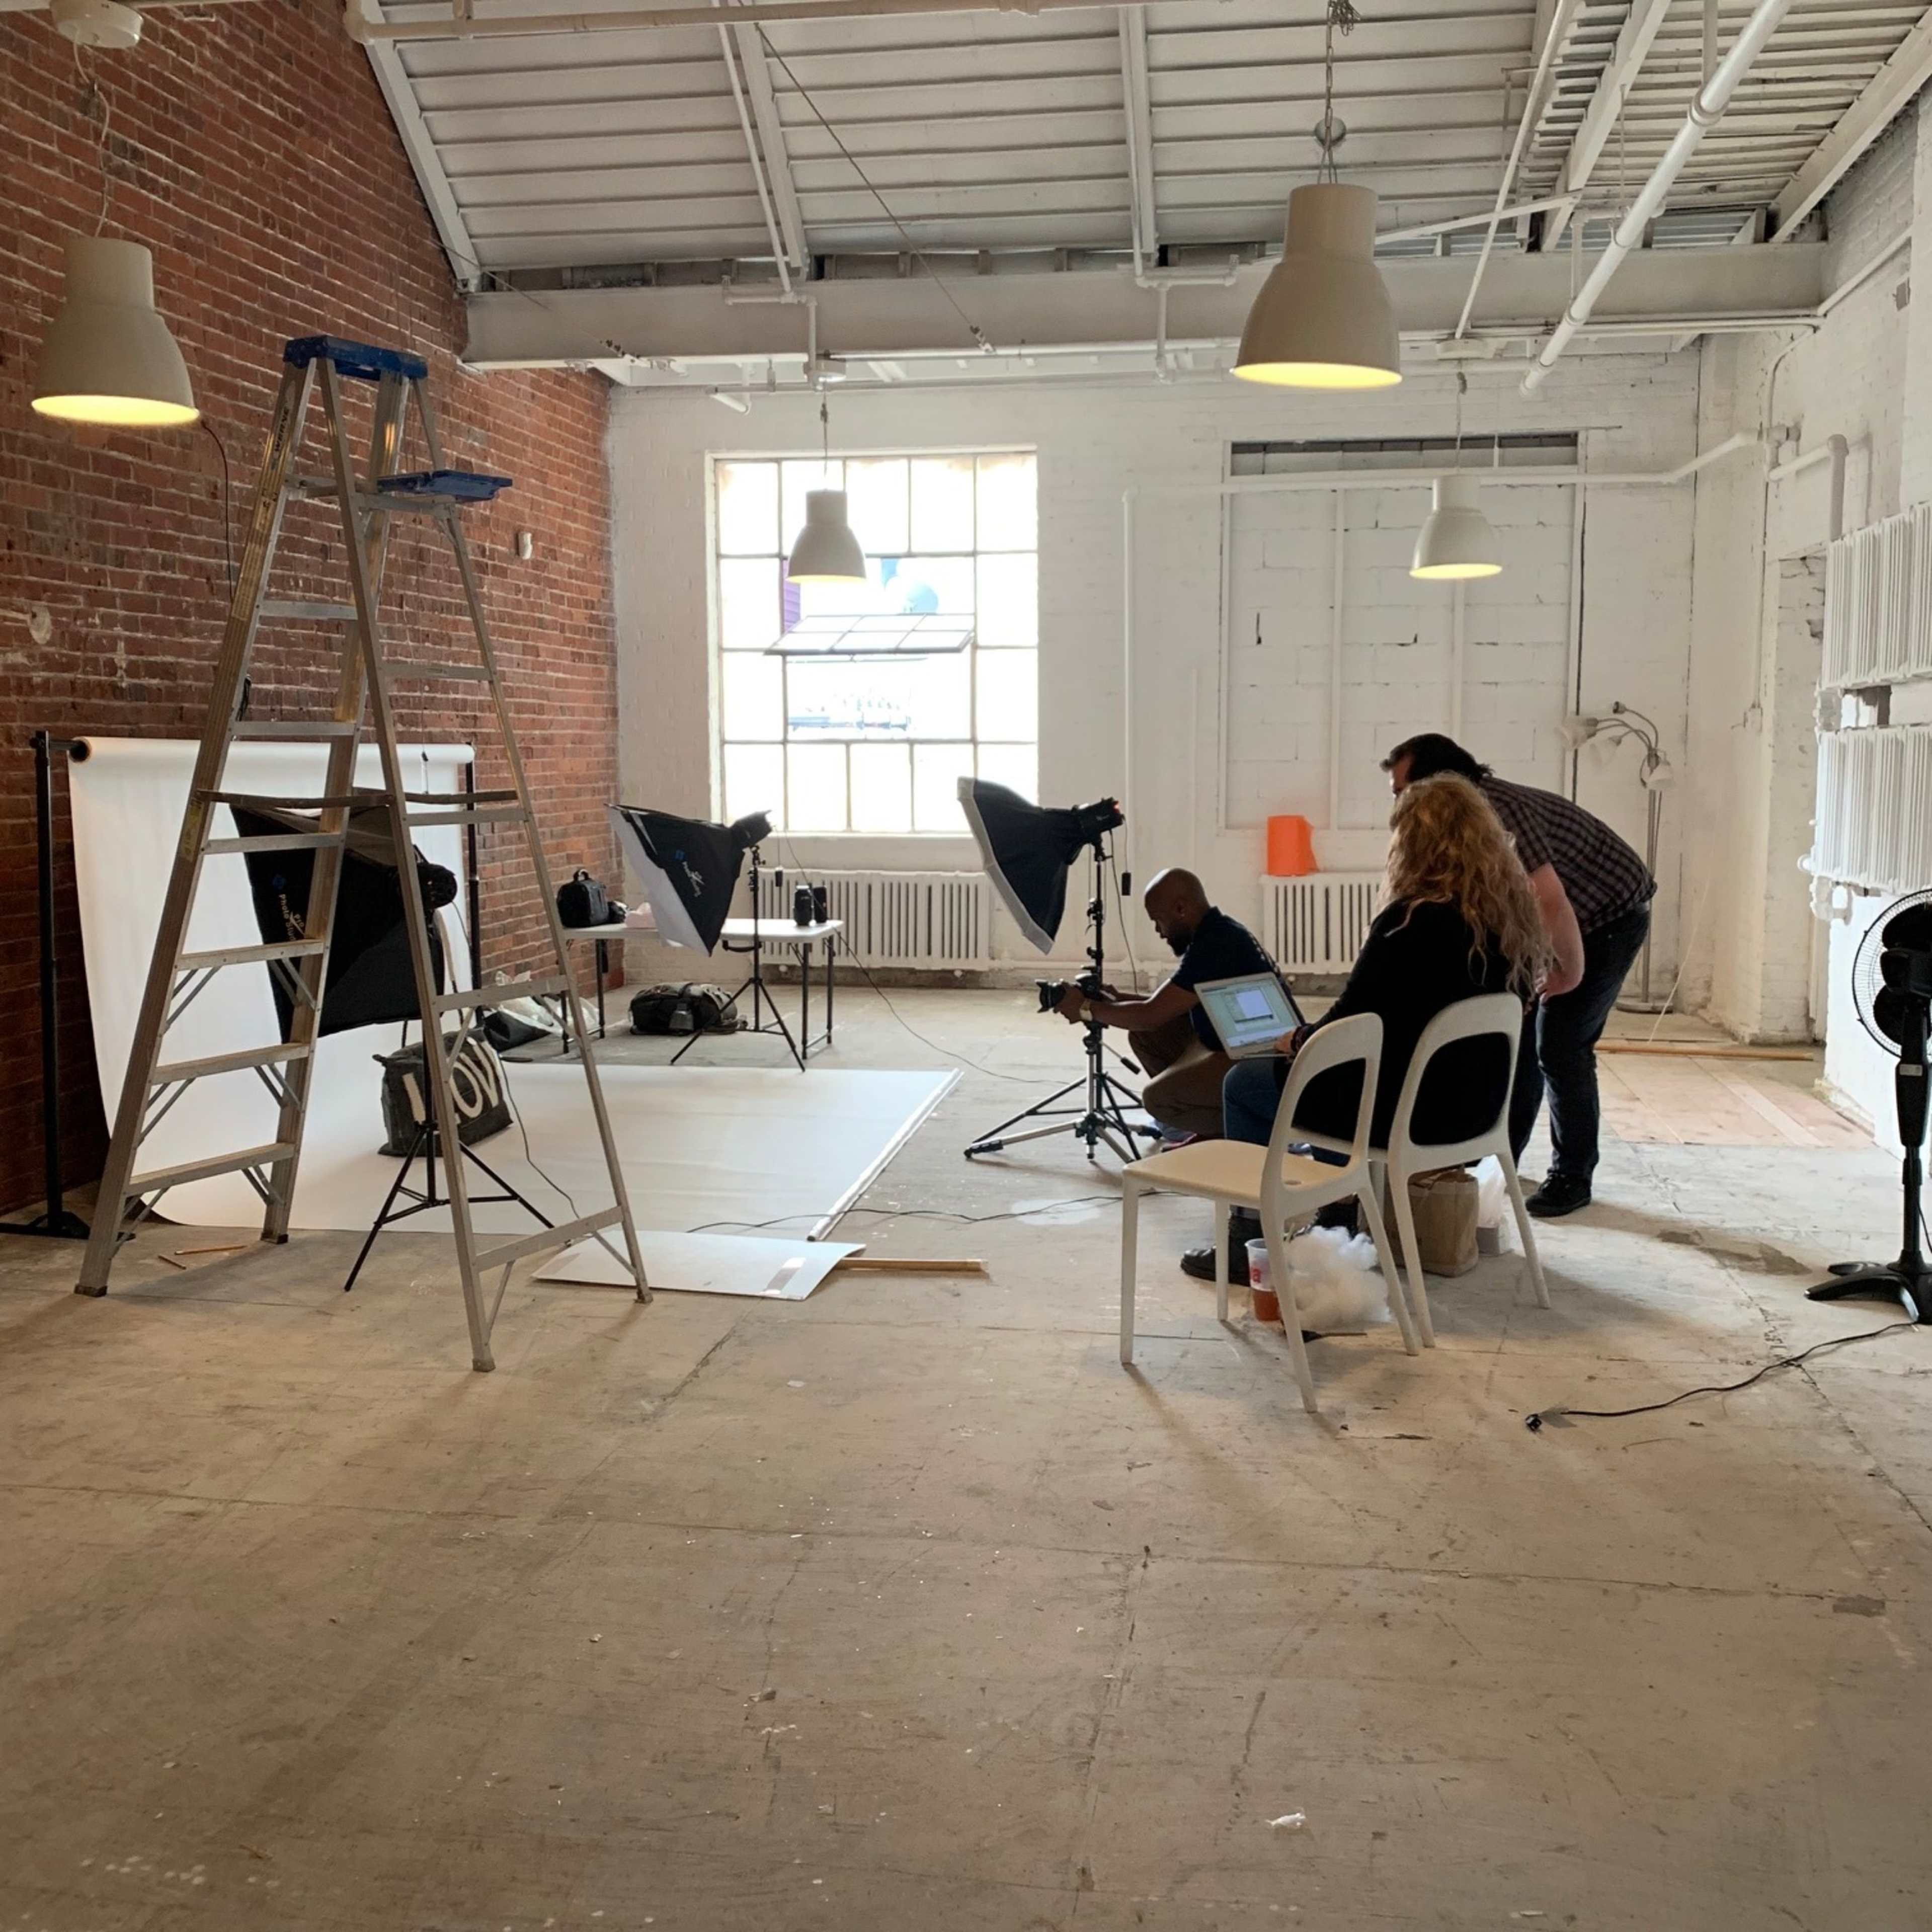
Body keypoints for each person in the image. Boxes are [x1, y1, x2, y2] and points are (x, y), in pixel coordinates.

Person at [1185, 775, 1551, 1282]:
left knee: (1248, 1084)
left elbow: (1349, 1020)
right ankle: (1341, 1221)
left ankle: (1249, 1244)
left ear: (1414, 844)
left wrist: (1299, 1039)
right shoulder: (1507, 923)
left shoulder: (1408, 922)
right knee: (1340, 1079)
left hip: (1407, 1116)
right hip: (1474, 1115)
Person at [1382, 732, 1654, 1219]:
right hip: (1558, 919)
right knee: (1520, 1038)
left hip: (1607, 917)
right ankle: (1502, 1157)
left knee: (1561, 1046)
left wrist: (1566, 970)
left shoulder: (1494, 811)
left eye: (1403, 790)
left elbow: (1549, 898)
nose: (1399, 802)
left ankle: (1572, 1175)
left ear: (1438, 783)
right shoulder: (1463, 815)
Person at [1055, 867, 1279, 1141]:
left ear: (1181, 909)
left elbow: (1150, 1015)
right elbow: (1163, 1006)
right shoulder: (1219, 932)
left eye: (1158, 920)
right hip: (1234, 1040)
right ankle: (1211, 1126)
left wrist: (1085, 1009)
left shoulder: (1214, 945)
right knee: (1147, 1036)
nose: (1159, 931)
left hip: (1260, 1059)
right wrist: (1117, 999)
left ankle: (1250, 1134)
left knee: (1158, 1099)